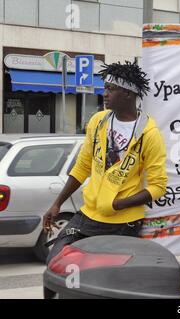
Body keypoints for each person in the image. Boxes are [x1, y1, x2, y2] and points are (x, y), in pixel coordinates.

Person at [43, 60, 168, 264]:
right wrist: (57, 204)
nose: (105, 93)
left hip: (123, 222)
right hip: (87, 214)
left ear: (128, 94)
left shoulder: (149, 134)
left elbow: (158, 186)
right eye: (105, 88)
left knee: (102, 276)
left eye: (111, 89)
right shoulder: (98, 121)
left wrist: (117, 204)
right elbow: (83, 166)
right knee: (55, 261)